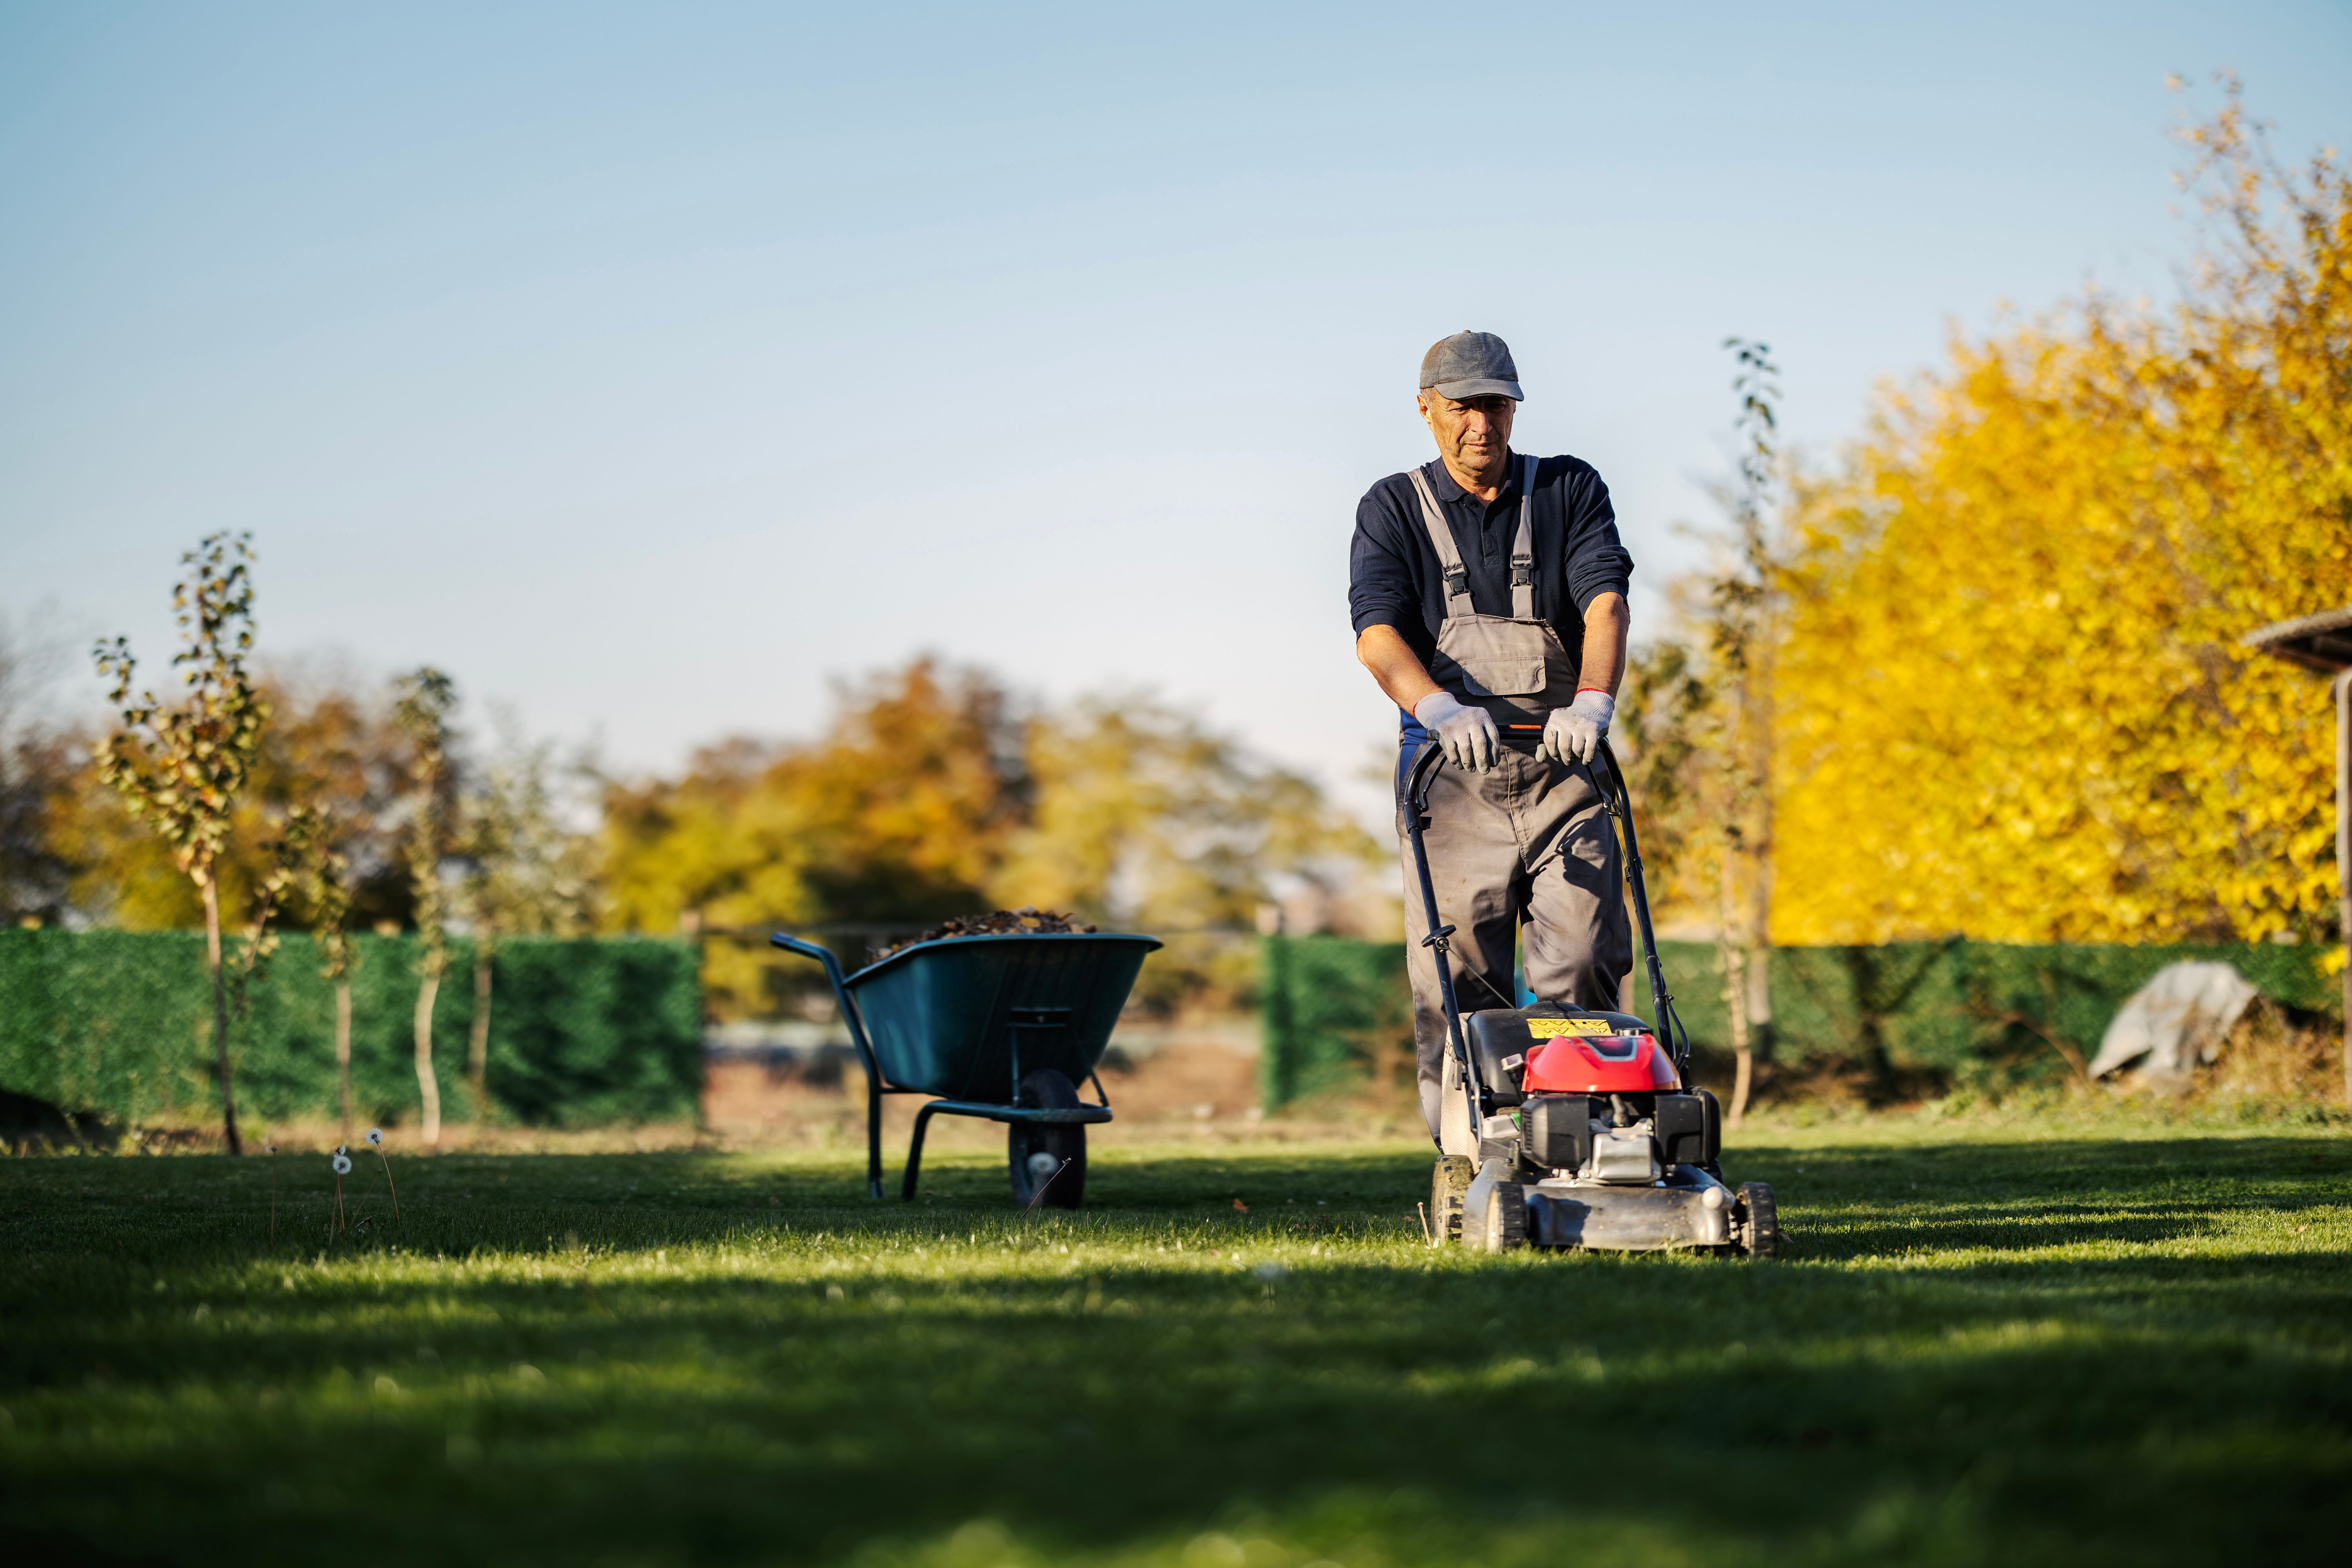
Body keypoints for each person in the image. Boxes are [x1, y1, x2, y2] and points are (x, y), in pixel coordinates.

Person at [1348, 329, 1635, 1143]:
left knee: (1583, 954)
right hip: (1449, 777)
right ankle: (1471, 1148)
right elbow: (1377, 634)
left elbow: (1605, 605)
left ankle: (1587, 1135)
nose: (1483, 423)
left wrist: (1591, 702)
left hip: (1563, 769)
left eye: (1497, 404)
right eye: (1466, 405)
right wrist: (1437, 706)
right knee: (1460, 978)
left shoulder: (1569, 490)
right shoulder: (1393, 506)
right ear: (1428, 410)